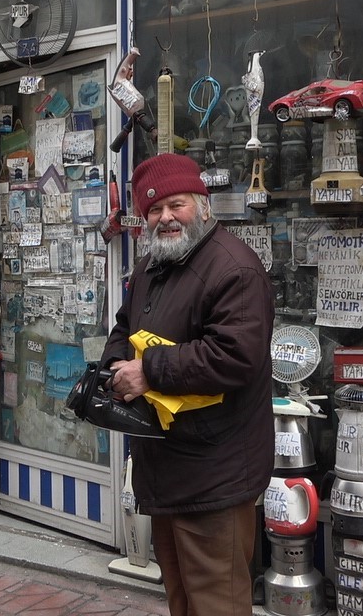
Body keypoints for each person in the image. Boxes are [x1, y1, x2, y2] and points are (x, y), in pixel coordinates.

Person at [101, 153, 275, 616]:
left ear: (202, 203)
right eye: (153, 211)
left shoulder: (233, 267)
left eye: (175, 205)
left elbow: (234, 356)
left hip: (215, 473)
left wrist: (149, 370)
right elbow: (124, 325)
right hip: (167, 467)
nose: (165, 218)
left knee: (217, 602)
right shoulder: (153, 265)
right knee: (181, 598)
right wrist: (113, 366)